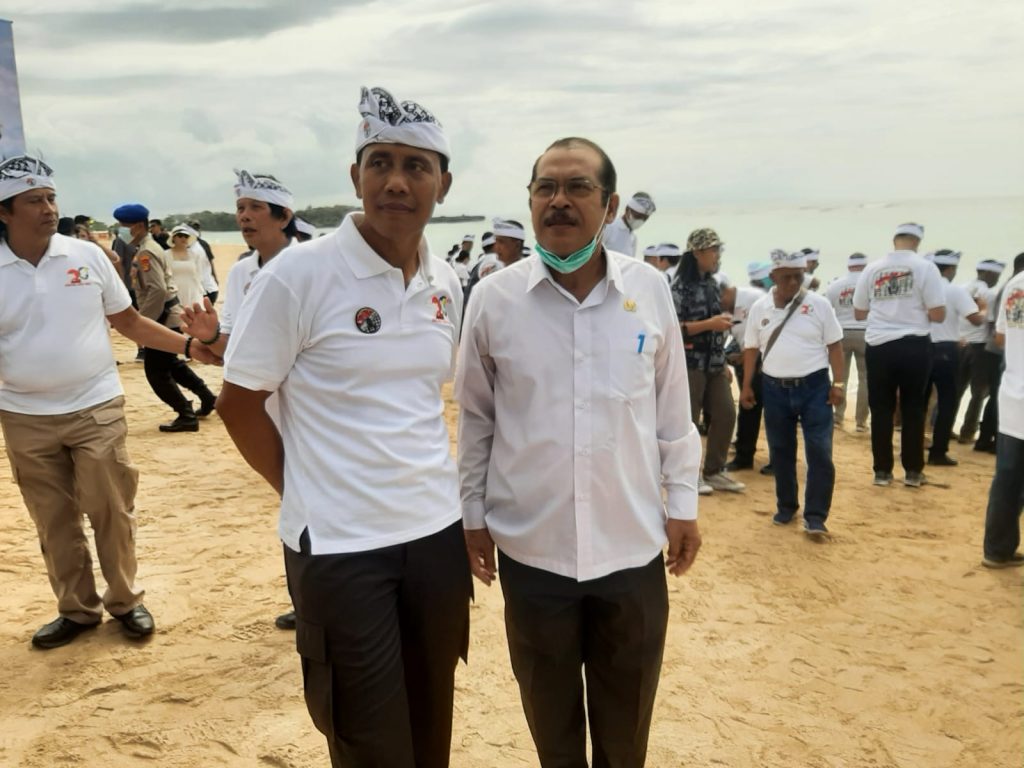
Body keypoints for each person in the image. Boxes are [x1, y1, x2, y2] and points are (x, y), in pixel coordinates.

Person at [216, 86, 471, 767]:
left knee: (431, 724)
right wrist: (303, 489)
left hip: (435, 534)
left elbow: (423, 396)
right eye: (380, 162)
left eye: (416, 166)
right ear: (355, 177)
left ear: (443, 184)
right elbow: (239, 403)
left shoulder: (446, 282)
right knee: (366, 739)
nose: (396, 181)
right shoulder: (299, 275)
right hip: (340, 547)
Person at [457, 135, 701, 768]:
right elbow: (476, 418)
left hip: (632, 547)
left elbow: (672, 410)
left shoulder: (649, 290)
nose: (559, 201)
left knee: (626, 732)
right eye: (546, 188)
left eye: (578, 188)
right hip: (533, 553)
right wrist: (472, 516)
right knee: (553, 727)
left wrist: (683, 504)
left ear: (610, 206)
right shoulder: (494, 298)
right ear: (531, 201)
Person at [0, 155, 218, 650]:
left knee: (112, 509)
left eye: (51, 197)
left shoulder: (86, 256)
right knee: (53, 520)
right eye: (33, 201)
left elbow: (130, 323)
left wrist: (189, 347)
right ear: (5, 211)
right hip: (24, 416)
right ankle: (77, 610)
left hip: (95, 406)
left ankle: (125, 601)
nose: (49, 208)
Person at [181, 169, 300, 630]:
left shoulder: (311, 264)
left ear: (283, 216)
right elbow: (229, 349)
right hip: (263, 408)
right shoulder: (243, 272)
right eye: (240, 209)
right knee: (293, 503)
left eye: (255, 208)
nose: (244, 217)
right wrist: (210, 336)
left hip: (312, 406)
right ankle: (306, 599)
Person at [741, 249, 845, 534]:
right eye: (786, 277)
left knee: (820, 452)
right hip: (774, 388)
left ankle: (816, 517)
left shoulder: (819, 304)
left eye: (798, 276)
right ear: (773, 276)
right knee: (781, 452)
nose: (792, 283)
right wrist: (746, 385)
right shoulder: (760, 308)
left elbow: (835, 345)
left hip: (815, 387)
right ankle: (786, 507)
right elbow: (751, 348)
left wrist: (838, 384)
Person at [852, 223, 946, 487]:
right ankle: (913, 472)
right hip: (914, 344)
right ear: (918, 242)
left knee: (881, 408)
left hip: (879, 344)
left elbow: (859, 312)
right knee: (913, 407)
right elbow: (938, 314)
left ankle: (882, 471)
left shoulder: (872, 269)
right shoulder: (927, 267)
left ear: (894, 240)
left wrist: (886, 309)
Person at [113, 203, 218, 432]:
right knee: (171, 363)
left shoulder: (146, 252)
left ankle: (185, 414)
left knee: (156, 372)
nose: (120, 231)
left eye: (123, 226)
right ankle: (207, 397)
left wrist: (143, 323)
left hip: (162, 317)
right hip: (169, 315)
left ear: (138, 226)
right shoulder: (148, 247)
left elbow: (158, 290)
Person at [672, 227, 746, 494]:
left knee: (726, 413)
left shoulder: (714, 285)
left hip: (714, 364)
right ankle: (688, 475)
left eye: (718, 249)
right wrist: (709, 324)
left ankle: (714, 471)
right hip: (689, 364)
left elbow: (716, 327)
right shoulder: (678, 288)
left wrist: (723, 362)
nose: (718, 255)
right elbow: (673, 330)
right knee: (689, 423)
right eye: (714, 250)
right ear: (697, 253)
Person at [982, 265, 1024, 567]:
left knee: (1008, 478)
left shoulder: (1015, 283)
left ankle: (997, 550)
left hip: (1014, 395)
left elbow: (1000, 338)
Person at [926, 249, 985, 466]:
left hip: (921, 346)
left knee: (918, 401)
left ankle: (910, 448)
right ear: (950, 269)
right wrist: (984, 309)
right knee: (947, 402)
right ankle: (938, 452)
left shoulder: (923, 287)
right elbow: (975, 319)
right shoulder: (954, 290)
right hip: (946, 349)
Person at [725, 259, 772, 472]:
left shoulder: (755, 299)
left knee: (774, 412)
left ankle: (778, 461)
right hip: (749, 358)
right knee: (748, 406)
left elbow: (767, 334)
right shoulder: (727, 305)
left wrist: (746, 356)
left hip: (768, 360)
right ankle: (744, 457)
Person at [958, 259, 1004, 443]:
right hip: (980, 347)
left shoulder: (961, 288)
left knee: (956, 389)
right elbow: (992, 323)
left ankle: (942, 426)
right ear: (989, 274)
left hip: (960, 343)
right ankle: (967, 432)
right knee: (978, 393)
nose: (997, 280)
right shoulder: (989, 294)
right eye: (997, 276)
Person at [825, 252, 870, 432]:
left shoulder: (835, 285)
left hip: (841, 333)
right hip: (866, 332)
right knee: (865, 379)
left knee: (840, 377)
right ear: (865, 265)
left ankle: (838, 417)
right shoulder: (869, 282)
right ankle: (861, 422)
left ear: (849, 265)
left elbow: (826, 310)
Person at [602, 191, 655, 258]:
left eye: (644, 218)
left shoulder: (633, 238)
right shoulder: (609, 227)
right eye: (638, 216)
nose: (640, 220)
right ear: (627, 210)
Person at [166, 224, 206, 307]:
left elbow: (199, 274)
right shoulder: (165, 255)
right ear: (173, 238)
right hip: (174, 293)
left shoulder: (195, 254)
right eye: (180, 236)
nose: (183, 238)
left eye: (186, 236)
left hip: (193, 292)